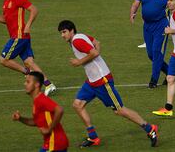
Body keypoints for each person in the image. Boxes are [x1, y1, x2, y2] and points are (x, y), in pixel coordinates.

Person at [57, 20, 159, 148]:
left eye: (64, 32)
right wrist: (96, 55)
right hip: (92, 81)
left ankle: (150, 128)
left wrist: (79, 62)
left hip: (102, 80)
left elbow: (94, 52)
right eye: (61, 33)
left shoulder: (77, 41)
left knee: (119, 110)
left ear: (71, 30)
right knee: (77, 104)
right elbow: (97, 43)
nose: (62, 35)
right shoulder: (81, 36)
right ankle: (93, 137)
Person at [0, 0, 56, 96]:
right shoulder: (5, 3)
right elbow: (5, 20)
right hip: (22, 37)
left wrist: (28, 25)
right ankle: (48, 84)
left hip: (19, 36)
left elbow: (34, 10)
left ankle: (27, 73)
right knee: (29, 62)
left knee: (3, 59)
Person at [11, 71, 68, 152]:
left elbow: (59, 110)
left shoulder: (41, 100)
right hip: (52, 143)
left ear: (37, 84)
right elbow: (35, 122)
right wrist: (20, 118)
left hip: (54, 144)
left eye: (28, 82)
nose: (25, 84)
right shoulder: (36, 101)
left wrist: (49, 129)